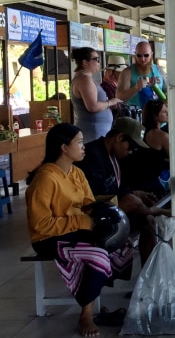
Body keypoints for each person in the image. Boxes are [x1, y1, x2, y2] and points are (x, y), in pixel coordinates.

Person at [26, 123, 132, 337]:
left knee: (120, 245)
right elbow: (41, 224)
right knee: (99, 256)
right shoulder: (46, 178)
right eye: (80, 142)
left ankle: (93, 295)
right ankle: (86, 314)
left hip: (73, 230)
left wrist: (110, 229)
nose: (84, 147)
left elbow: (88, 205)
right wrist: (82, 223)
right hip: (49, 238)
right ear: (64, 148)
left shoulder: (75, 172)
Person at [74, 117, 169, 266]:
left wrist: (134, 192)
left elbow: (117, 185)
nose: (131, 152)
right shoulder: (92, 156)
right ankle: (154, 210)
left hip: (107, 210)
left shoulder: (114, 155)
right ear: (119, 137)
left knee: (148, 221)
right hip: (89, 215)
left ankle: (147, 278)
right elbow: (94, 195)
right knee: (132, 201)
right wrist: (131, 198)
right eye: (130, 146)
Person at [70, 47, 122, 143]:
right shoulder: (84, 79)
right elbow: (92, 107)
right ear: (85, 62)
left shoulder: (86, 78)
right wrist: (111, 102)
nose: (99, 63)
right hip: (92, 133)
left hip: (96, 131)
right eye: (96, 59)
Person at [116, 41, 167, 109]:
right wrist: (135, 88)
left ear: (151, 54)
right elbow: (118, 98)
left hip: (157, 116)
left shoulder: (159, 70)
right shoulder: (128, 72)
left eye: (146, 55)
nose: (142, 59)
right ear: (135, 54)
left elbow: (167, 93)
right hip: (136, 116)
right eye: (139, 55)